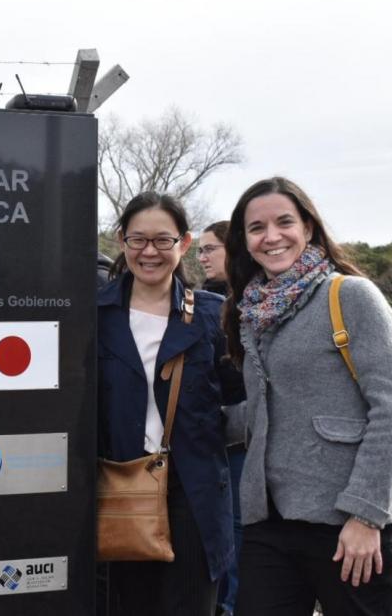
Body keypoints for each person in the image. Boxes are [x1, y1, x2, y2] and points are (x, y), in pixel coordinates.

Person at [223, 177, 392, 616]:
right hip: (269, 523)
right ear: (245, 240)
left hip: (347, 522)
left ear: (308, 227)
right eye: (256, 228)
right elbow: (266, 410)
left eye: (284, 222)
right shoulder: (250, 310)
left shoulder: (350, 294)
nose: (271, 236)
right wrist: (189, 423)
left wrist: (366, 516)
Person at [98, 192, 234, 615]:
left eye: (163, 240)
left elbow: (240, 398)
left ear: (185, 243)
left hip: (194, 492)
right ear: (121, 240)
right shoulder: (94, 315)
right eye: (138, 240)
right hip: (118, 485)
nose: (149, 252)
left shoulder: (214, 316)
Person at [198, 220, 247, 616]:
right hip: (212, 437)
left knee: (237, 527)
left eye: (210, 248)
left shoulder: (253, 302)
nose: (202, 257)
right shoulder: (201, 301)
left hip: (243, 437)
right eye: (199, 250)